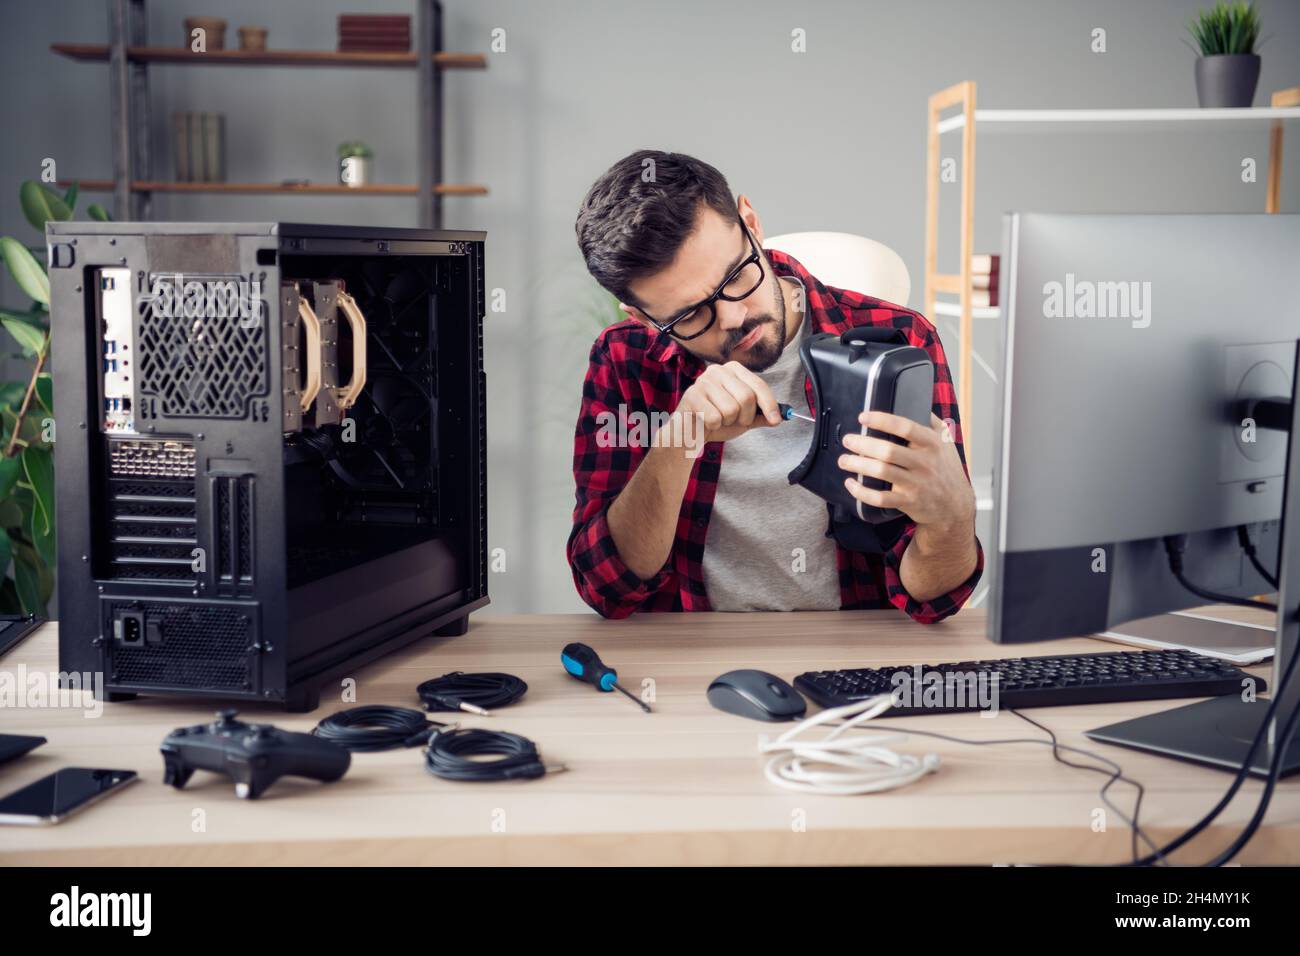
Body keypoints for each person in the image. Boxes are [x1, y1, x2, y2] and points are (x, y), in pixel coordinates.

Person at [568, 149, 981, 621]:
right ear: (643, 317)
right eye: (690, 315)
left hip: (855, 657)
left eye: (736, 276)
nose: (733, 317)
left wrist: (953, 514)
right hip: (690, 661)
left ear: (751, 222)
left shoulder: (903, 338)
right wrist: (680, 438)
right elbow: (605, 589)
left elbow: (935, 601)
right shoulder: (624, 358)